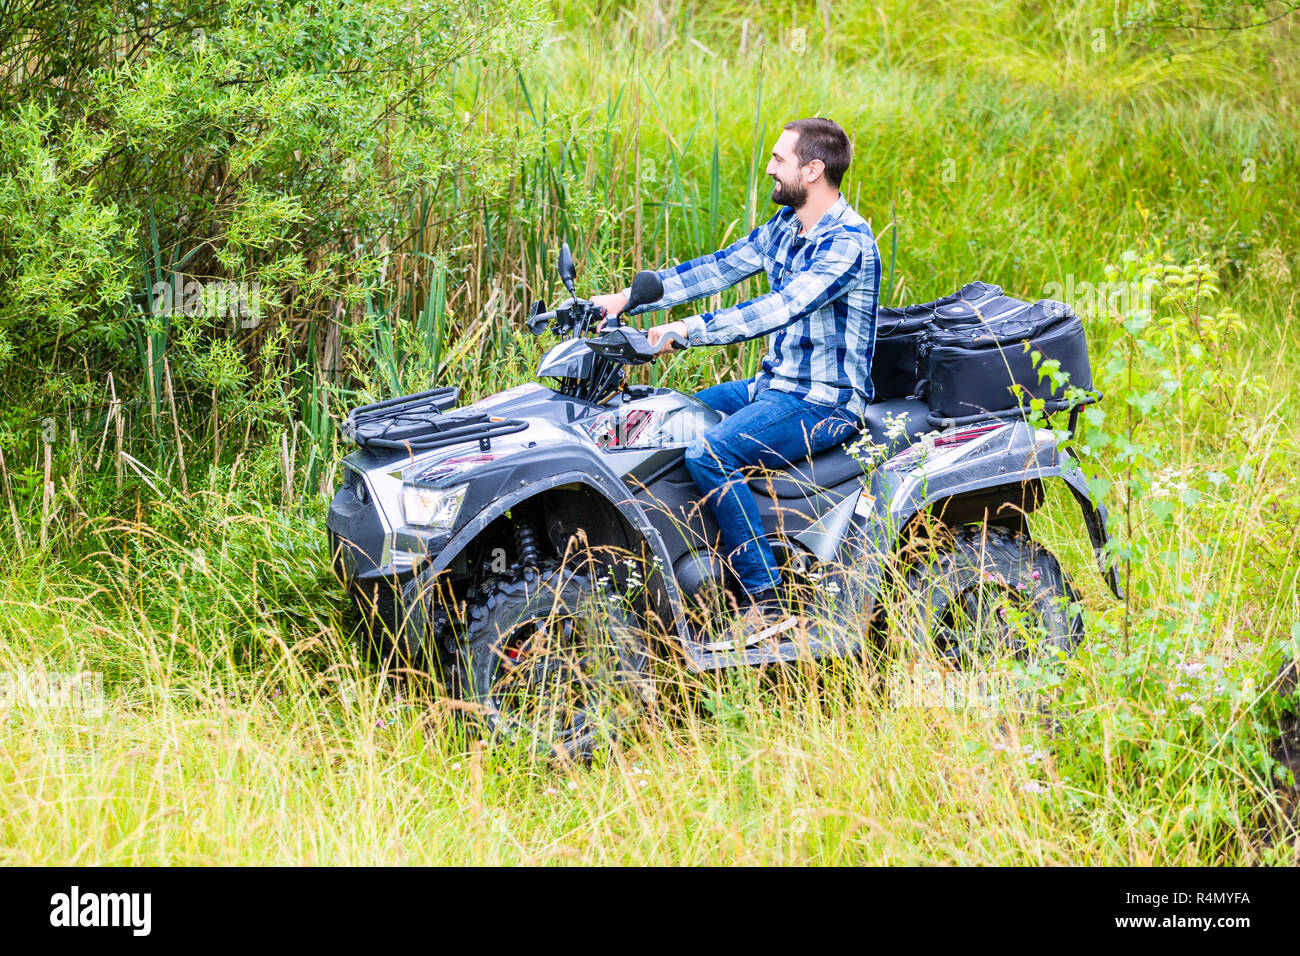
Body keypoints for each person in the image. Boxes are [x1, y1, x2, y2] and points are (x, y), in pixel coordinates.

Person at [592, 117, 880, 647]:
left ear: (813, 170)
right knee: (665, 421)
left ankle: (767, 602)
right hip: (774, 384)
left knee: (708, 453)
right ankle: (693, 580)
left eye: (779, 159)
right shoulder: (786, 227)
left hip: (824, 402)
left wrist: (688, 330)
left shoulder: (848, 245)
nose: (769, 168)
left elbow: (778, 308)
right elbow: (719, 268)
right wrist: (626, 299)